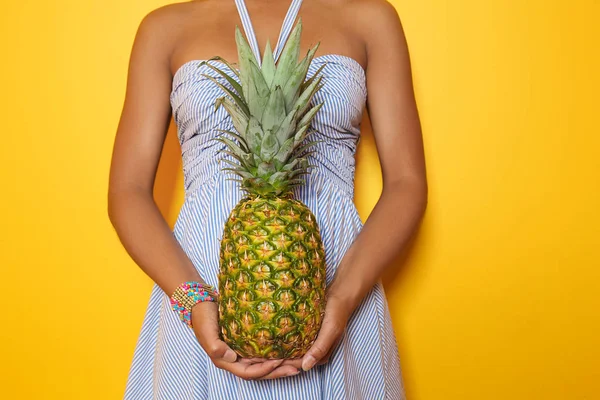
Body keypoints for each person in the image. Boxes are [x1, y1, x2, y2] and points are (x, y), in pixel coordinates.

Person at [108, 0, 427, 398]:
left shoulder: (369, 18)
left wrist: (343, 297)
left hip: (341, 285)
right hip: (200, 281)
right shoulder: (164, 27)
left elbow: (406, 183)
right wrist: (192, 300)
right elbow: (128, 192)